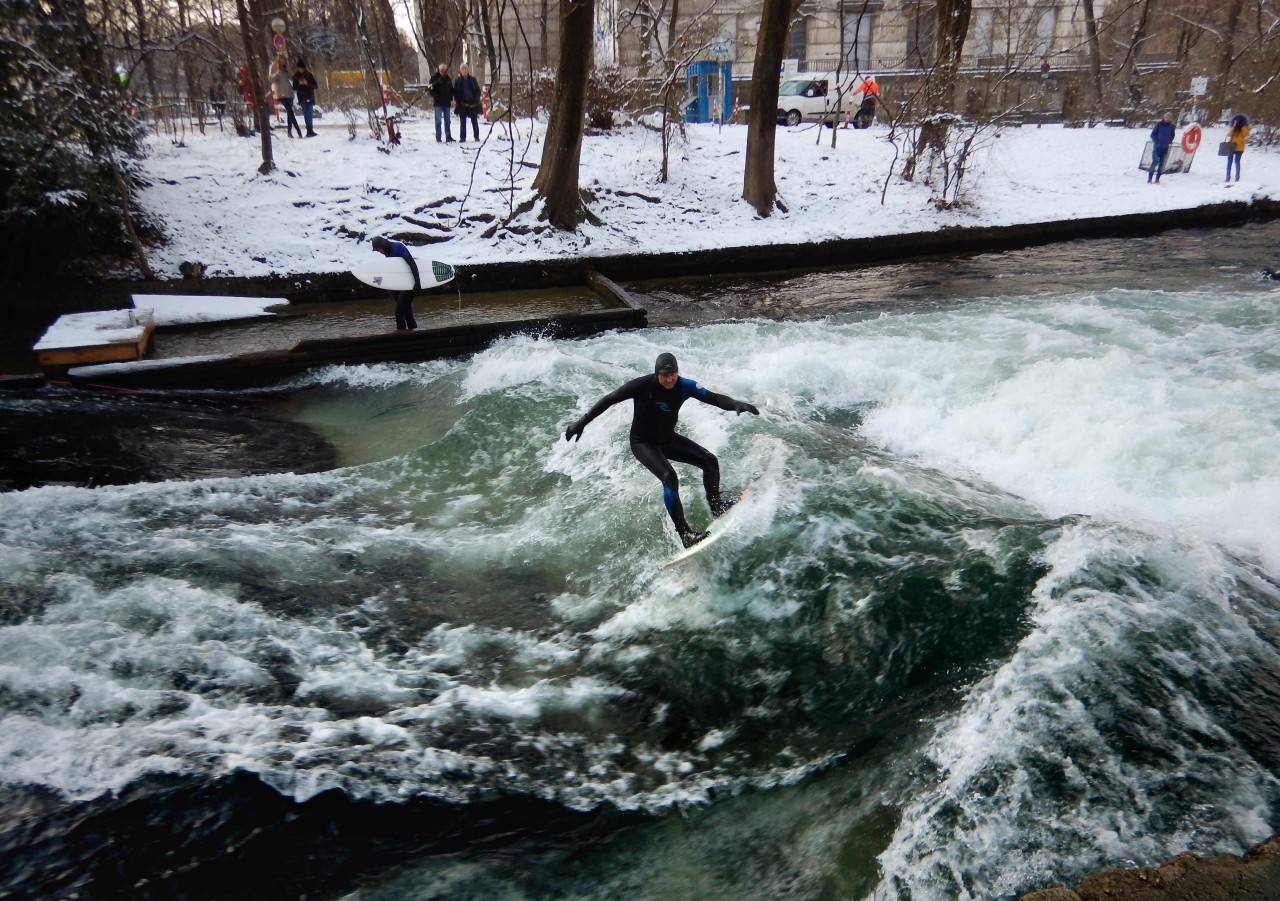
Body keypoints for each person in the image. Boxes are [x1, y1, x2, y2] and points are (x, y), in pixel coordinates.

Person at [564, 352, 760, 548]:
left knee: (710, 461)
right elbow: (610, 399)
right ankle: (685, 535)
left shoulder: (685, 386)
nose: (669, 379)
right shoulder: (642, 386)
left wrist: (735, 403)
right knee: (669, 477)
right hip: (642, 443)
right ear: (657, 374)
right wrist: (581, 423)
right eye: (665, 375)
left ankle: (717, 507)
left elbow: (714, 398)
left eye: (673, 374)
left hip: (667, 439)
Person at [371, 236, 421, 330]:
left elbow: (412, 263)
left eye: (379, 250)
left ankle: (400, 339)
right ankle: (413, 333)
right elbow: (394, 272)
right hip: (400, 285)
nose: (380, 252)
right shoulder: (388, 253)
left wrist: (417, 280)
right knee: (407, 312)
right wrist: (390, 290)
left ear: (382, 246)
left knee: (399, 314)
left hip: (410, 284)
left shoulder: (398, 248)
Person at [271, 57, 302, 138]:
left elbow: (292, 76)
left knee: (289, 113)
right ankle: (298, 130)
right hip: (281, 93)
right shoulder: (273, 67)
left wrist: (287, 68)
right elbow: (270, 79)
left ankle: (289, 132)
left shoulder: (286, 68)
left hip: (289, 92)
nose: (282, 63)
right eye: (281, 61)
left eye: (284, 61)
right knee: (290, 111)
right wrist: (276, 74)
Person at [454, 64, 482, 142]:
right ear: (460, 71)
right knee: (462, 122)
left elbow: (478, 91)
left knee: (474, 121)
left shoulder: (473, 80)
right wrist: (458, 101)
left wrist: (476, 100)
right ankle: (463, 138)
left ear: (468, 70)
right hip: (462, 105)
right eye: (462, 69)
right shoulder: (458, 81)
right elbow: (455, 93)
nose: (464, 71)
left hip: (472, 104)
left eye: (465, 69)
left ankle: (476, 137)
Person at [429, 63, 455, 143]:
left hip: (447, 103)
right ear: (439, 69)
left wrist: (451, 97)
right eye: (442, 69)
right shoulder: (434, 78)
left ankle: (448, 137)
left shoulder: (447, 78)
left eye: (444, 69)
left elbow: (451, 89)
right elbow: (430, 89)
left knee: (447, 121)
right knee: (438, 121)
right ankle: (438, 138)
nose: (443, 71)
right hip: (438, 104)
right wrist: (437, 96)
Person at [293, 59, 318, 137]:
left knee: (309, 113)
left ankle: (310, 129)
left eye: (301, 68)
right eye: (299, 68)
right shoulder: (296, 77)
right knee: (306, 113)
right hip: (302, 96)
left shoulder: (309, 75)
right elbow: (294, 87)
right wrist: (299, 84)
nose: (300, 70)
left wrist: (307, 84)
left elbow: (315, 85)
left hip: (309, 96)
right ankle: (308, 129)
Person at [1148, 112, 1175, 184]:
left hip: (1165, 148)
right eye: (1167, 117)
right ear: (1164, 117)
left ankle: (1157, 178)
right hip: (1157, 147)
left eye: (1169, 118)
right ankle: (1150, 178)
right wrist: (1157, 143)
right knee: (1155, 161)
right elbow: (1153, 135)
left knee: (1162, 164)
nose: (1168, 119)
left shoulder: (1172, 126)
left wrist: (1169, 141)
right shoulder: (1159, 125)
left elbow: (1172, 135)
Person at [1226, 114, 1249, 183]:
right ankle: (1227, 176)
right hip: (1231, 146)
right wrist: (1234, 126)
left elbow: (1246, 134)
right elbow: (1229, 134)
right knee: (1229, 162)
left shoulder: (1244, 128)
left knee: (1237, 161)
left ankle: (1237, 176)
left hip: (1239, 148)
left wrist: (1242, 126)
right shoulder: (1233, 128)